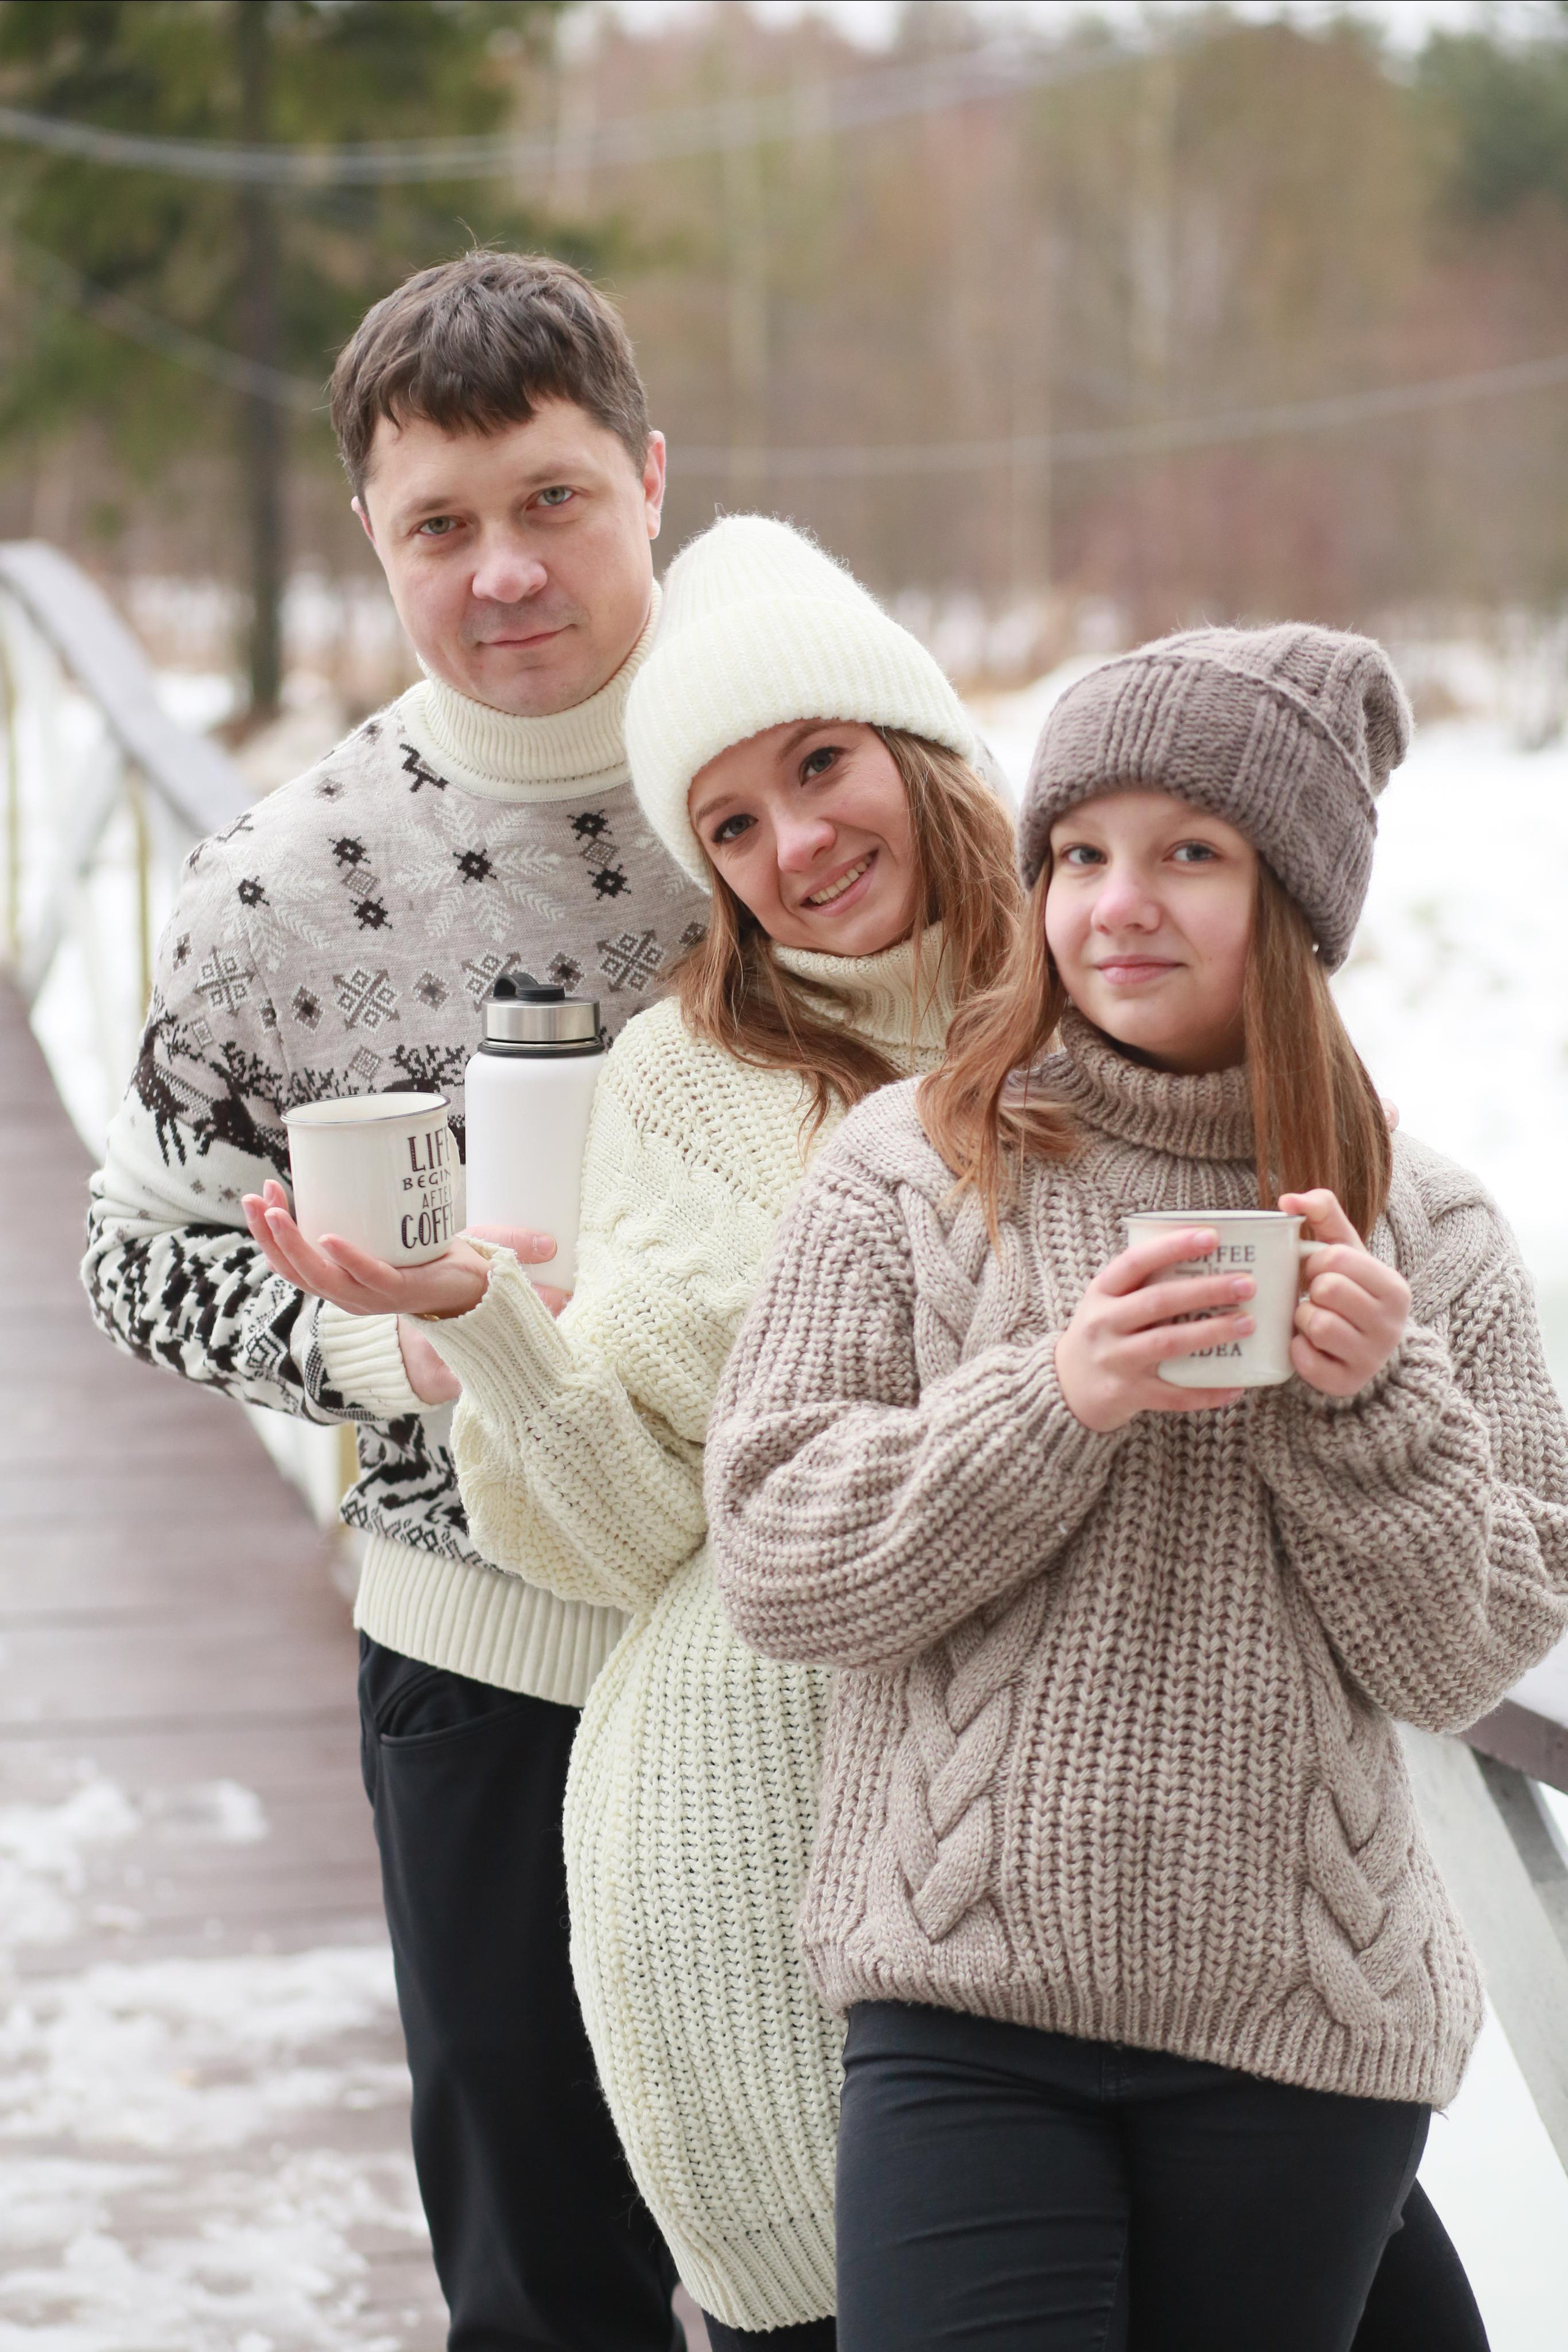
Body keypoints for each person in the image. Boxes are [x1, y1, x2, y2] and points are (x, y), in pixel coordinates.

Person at [706, 624, 1568, 2351]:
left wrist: (1374, 1405)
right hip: (961, 2008)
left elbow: (1475, 1655)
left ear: (1297, 906)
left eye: (1193, 854)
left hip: (1299, 2036)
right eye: (1083, 854)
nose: (1121, 903)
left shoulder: (1433, 1232)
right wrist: (1056, 1396)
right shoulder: (910, 1167)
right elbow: (775, 1555)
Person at [244, 513, 1021, 2345]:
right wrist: (489, 1330)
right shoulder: (694, 1073)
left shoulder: (1104, 1000)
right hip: (747, 1874)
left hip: (1076, 1866)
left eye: (820, 767)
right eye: (730, 827)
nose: (796, 849)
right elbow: (627, 1528)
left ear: (920, 747)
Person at [83, 249, 709, 2352]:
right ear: (374, 536)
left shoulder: (814, 798)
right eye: (440, 524)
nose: (502, 570)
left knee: (882, 2255)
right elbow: (131, 1258)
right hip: (492, 1657)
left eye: (549, 502)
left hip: (818, 1631)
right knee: (552, 2280)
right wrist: (374, 1345)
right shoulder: (279, 882)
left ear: (647, 477)